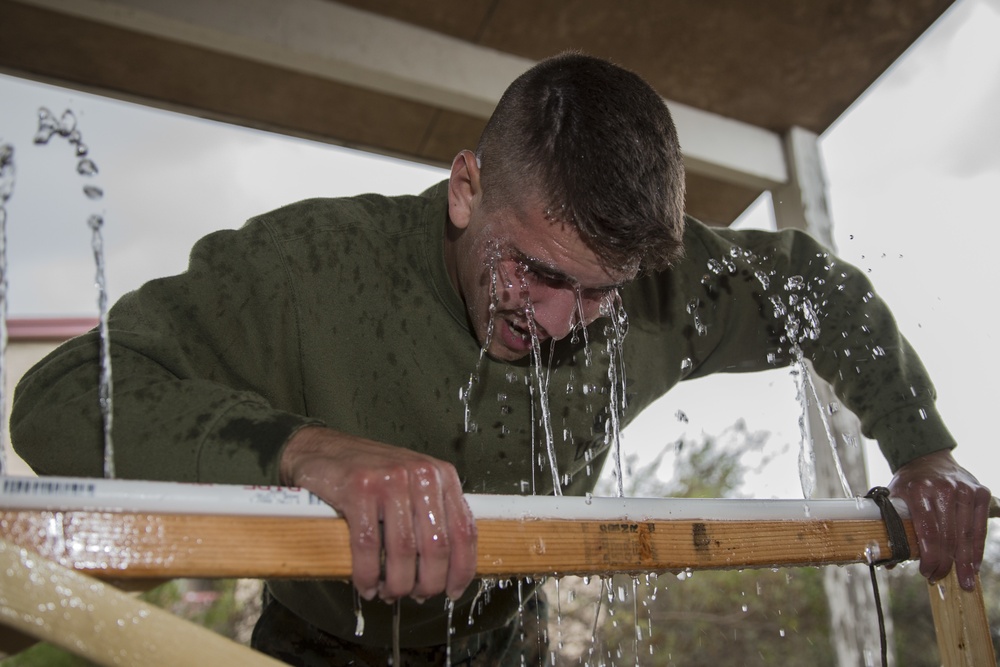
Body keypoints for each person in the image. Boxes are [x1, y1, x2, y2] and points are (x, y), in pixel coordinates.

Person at [10, 53, 990, 665]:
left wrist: (922, 451)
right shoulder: (307, 267)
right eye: (537, 272)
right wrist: (307, 449)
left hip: (510, 651)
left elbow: (823, 292)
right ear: (466, 188)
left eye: (601, 291)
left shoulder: (665, 289)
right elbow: (60, 397)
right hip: (314, 650)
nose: (565, 321)